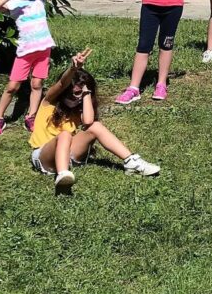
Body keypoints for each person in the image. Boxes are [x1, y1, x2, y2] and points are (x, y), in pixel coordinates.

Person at [29, 48, 161, 190]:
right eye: (75, 93)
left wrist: (86, 94)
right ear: (66, 91)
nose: (78, 97)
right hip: (44, 156)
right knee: (65, 135)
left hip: (68, 154)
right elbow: (62, 84)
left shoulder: (77, 110)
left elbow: (88, 122)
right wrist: (73, 69)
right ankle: (63, 174)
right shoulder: (49, 102)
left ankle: (132, 162)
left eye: (83, 94)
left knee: (95, 126)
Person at [0, 0, 55, 136]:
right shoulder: (15, 3)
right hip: (25, 52)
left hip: (43, 49)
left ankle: (31, 117)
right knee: (12, 86)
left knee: (37, 84)